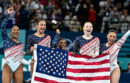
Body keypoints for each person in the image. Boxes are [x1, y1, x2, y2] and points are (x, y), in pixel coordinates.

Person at [1, 7, 29, 83]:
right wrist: (8, 16)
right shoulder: (6, 39)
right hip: (8, 66)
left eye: (17, 30)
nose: (16, 31)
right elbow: (3, 27)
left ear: (19, 32)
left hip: (19, 66)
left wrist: (29, 62)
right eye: (14, 30)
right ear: (10, 32)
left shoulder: (21, 45)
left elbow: (20, 58)